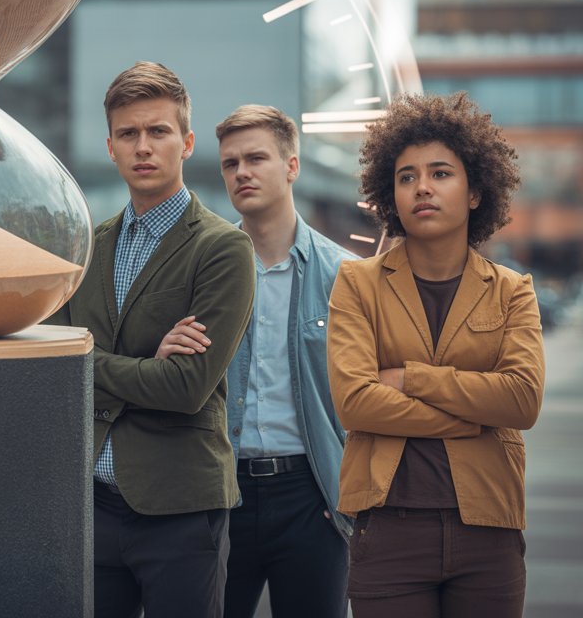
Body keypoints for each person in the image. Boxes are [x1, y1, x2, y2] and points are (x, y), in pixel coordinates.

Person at [50, 61, 255, 618]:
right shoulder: (86, 248)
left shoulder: (222, 249)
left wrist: (87, 360)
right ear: (111, 146)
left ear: (186, 143)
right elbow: (55, 373)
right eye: (129, 134)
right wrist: (140, 365)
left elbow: (186, 386)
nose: (144, 146)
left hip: (181, 509)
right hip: (94, 505)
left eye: (158, 131)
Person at [327, 92, 544, 618]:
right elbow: (356, 402)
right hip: (388, 530)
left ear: (474, 192)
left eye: (441, 173)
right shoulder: (357, 283)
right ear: (391, 195)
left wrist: (411, 378)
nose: (422, 186)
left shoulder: (512, 290)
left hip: (488, 529)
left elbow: (521, 401)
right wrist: (473, 416)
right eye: (406, 177)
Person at [213, 105, 353, 618]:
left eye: (255, 158)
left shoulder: (347, 276)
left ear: (292, 166)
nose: (241, 172)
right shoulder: (204, 269)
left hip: (311, 494)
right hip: (221, 492)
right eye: (230, 164)